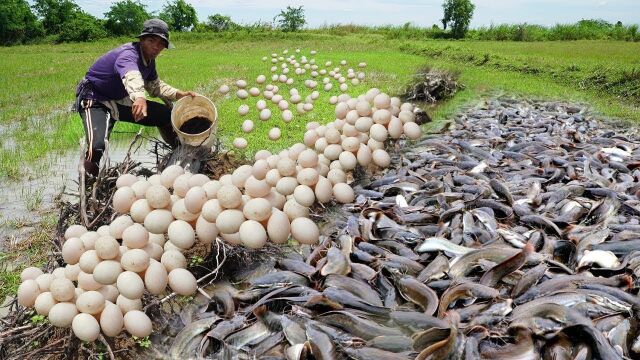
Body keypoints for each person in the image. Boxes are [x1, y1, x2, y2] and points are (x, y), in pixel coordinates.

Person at [75, 18, 198, 176]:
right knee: (96, 147)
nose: (156, 47)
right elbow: (131, 75)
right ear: (142, 39)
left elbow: (154, 85)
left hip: (118, 99)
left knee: (165, 115)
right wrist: (139, 97)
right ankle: (89, 181)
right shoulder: (128, 55)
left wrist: (178, 94)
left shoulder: (149, 61)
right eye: (152, 41)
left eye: (161, 44)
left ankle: (182, 155)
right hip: (94, 99)